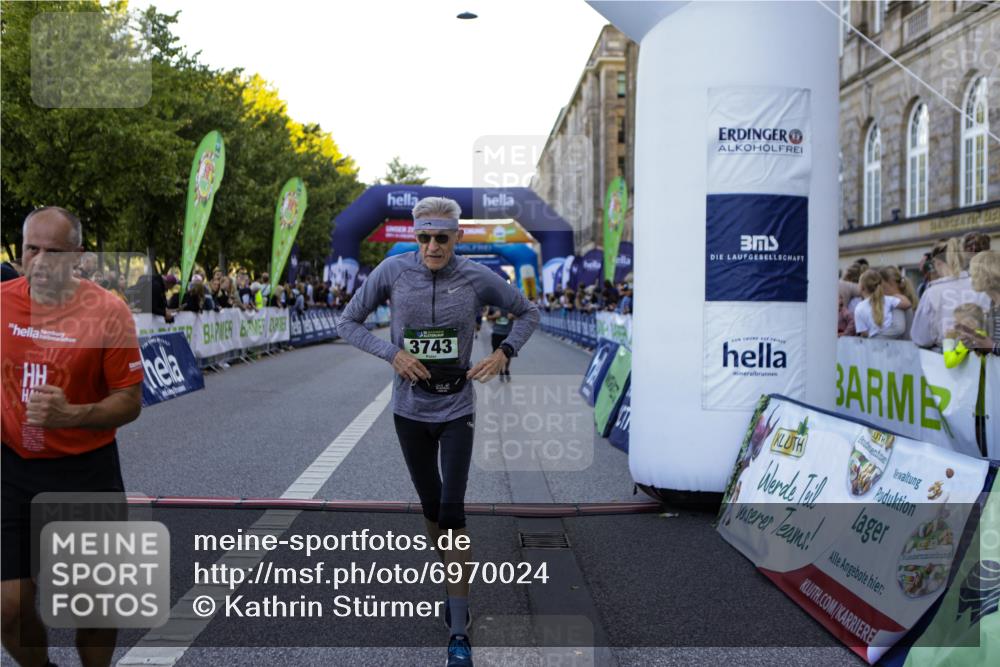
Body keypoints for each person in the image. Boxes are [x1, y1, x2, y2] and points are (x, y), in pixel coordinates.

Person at [336, 196, 539, 667]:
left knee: (452, 510)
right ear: (414, 235)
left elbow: (528, 312)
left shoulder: (475, 277)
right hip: (409, 411)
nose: (432, 246)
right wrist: (393, 355)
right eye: (424, 237)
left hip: (456, 408)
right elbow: (347, 322)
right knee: (432, 508)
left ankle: (458, 627)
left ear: (456, 237)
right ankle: (452, 576)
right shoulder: (391, 273)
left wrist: (505, 352)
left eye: (441, 238)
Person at [1, 207, 144, 667]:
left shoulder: (108, 311)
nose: (40, 262)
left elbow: (130, 400)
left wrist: (73, 414)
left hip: (86, 469)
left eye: (54, 252)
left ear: (78, 256)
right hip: (11, 468)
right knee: (9, 608)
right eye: (32, 249)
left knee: (96, 608)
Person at [911, 238, 991, 348]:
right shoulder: (982, 286)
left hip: (946, 358)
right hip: (984, 356)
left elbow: (920, 338)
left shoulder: (932, 293)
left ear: (938, 263)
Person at [854, 269, 911, 339]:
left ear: (862, 287)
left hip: (874, 343)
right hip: (893, 338)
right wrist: (895, 295)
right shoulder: (888, 299)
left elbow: (864, 332)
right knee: (899, 308)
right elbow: (907, 304)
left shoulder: (859, 308)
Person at [486, 305, 516, 381]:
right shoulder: (493, 306)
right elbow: (487, 317)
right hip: (496, 333)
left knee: (508, 354)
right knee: (497, 354)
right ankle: (500, 371)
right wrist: (494, 316)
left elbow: (520, 316)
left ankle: (506, 370)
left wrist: (513, 316)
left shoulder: (511, 305)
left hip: (508, 334)